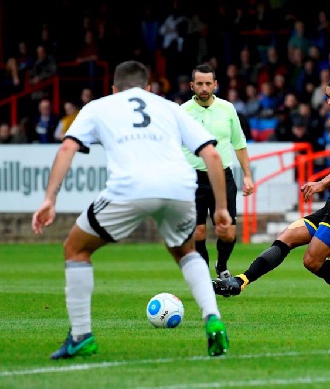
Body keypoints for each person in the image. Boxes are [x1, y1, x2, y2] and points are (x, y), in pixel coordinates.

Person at [31, 60, 231, 360]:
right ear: (148, 88)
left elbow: (67, 148)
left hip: (130, 188)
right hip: (179, 187)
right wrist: (222, 209)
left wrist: (49, 198)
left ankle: (81, 335)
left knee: (75, 249)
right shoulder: (169, 107)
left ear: (114, 88)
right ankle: (212, 318)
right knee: (186, 252)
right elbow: (212, 154)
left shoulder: (100, 106)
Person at [213, 74, 330, 324]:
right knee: (287, 237)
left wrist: (323, 182)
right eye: (328, 97)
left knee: (312, 260)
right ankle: (241, 281)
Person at [181, 64, 254, 280]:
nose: (204, 88)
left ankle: (221, 266)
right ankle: (204, 274)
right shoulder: (182, 112)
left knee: (228, 231)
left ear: (215, 84)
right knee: (198, 232)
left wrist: (248, 175)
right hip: (194, 178)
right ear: (192, 85)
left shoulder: (227, 109)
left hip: (222, 176)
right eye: (200, 84)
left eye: (208, 83)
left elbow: (239, 143)